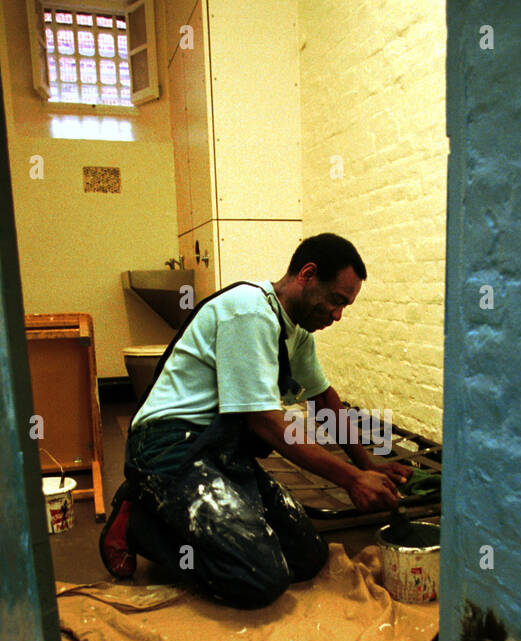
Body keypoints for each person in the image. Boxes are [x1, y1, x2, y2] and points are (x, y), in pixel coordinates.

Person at [100, 233, 410, 608]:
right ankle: (139, 524)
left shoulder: (297, 333)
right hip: (169, 444)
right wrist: (350, 479)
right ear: (307, 275)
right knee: (260, 578)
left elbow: (326, 404)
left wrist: (369, 467)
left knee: (308, 557)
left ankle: (189, 518)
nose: (338, 314)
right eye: (336, 300)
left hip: (220, 449)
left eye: (345, 306)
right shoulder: (249, 311)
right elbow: (264, 423)